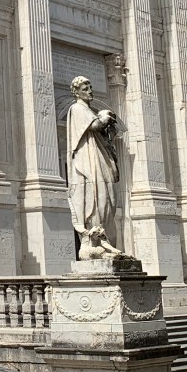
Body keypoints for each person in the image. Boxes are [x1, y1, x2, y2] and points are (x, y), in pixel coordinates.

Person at [66, 76, 122, 259]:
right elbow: (96, 124)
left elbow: (101, 130)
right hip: (88, 160)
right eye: (85, 89)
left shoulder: (88, 110)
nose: (90, 91)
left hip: (98, 156)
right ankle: (95, 243)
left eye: (90, 87)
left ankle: (105, 243)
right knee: (96, 198)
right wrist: (104, 117)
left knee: (106, 198)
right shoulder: (77, 108)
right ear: (76, 92)